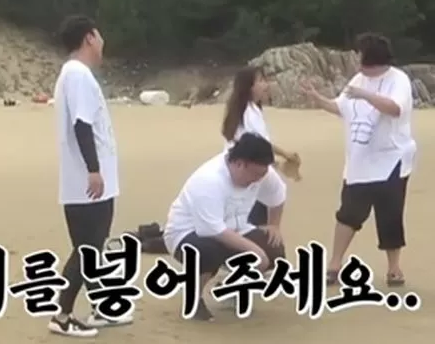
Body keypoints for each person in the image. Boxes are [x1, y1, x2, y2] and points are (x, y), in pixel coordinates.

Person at [301, 33, 416, 287]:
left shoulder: (398, 79)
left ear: (369, 57)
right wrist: (317, 98)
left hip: (391, 160)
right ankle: (335, 264)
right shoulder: (357, 80)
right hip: (359, 161)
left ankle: (394, 268)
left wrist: (366, 95)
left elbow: (395, 108)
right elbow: (341, 107)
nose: (354, 57)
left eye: (358, 53)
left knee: (390, 215)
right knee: (349, 214)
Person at [47, 15, 131, 338]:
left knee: (90, 247)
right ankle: (62, 315)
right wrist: (94, 170)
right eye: (99, 35)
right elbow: (82, 125)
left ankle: (101, 306)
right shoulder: (78, 75)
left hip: (86, 183)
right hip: (87, 184)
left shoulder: (73, 74)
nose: (103, 42)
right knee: (88, 250)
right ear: (89, 38)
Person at [163, 132, 287, 321]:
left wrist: (274, 225)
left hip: (235, 228)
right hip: (188, 233)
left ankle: (233, 288)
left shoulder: (262, 173)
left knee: (274, 249)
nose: (258, 179)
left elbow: (278, 195)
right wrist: (256, 251)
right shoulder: (209, 180)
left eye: (262, 174)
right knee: (209, 252)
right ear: (239, 164)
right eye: (255, 174)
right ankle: (193, 298)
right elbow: (212, 229)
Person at [221, 66, 300, 227]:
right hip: (246, 171)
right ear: (249, 86)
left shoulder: (249, 109)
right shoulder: (248, 113)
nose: (266, 85)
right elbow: (257, 146)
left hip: (242, 169)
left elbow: (260, 145)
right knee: (256, 217)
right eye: (261, 81)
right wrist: (282, 160)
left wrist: (281, 158)